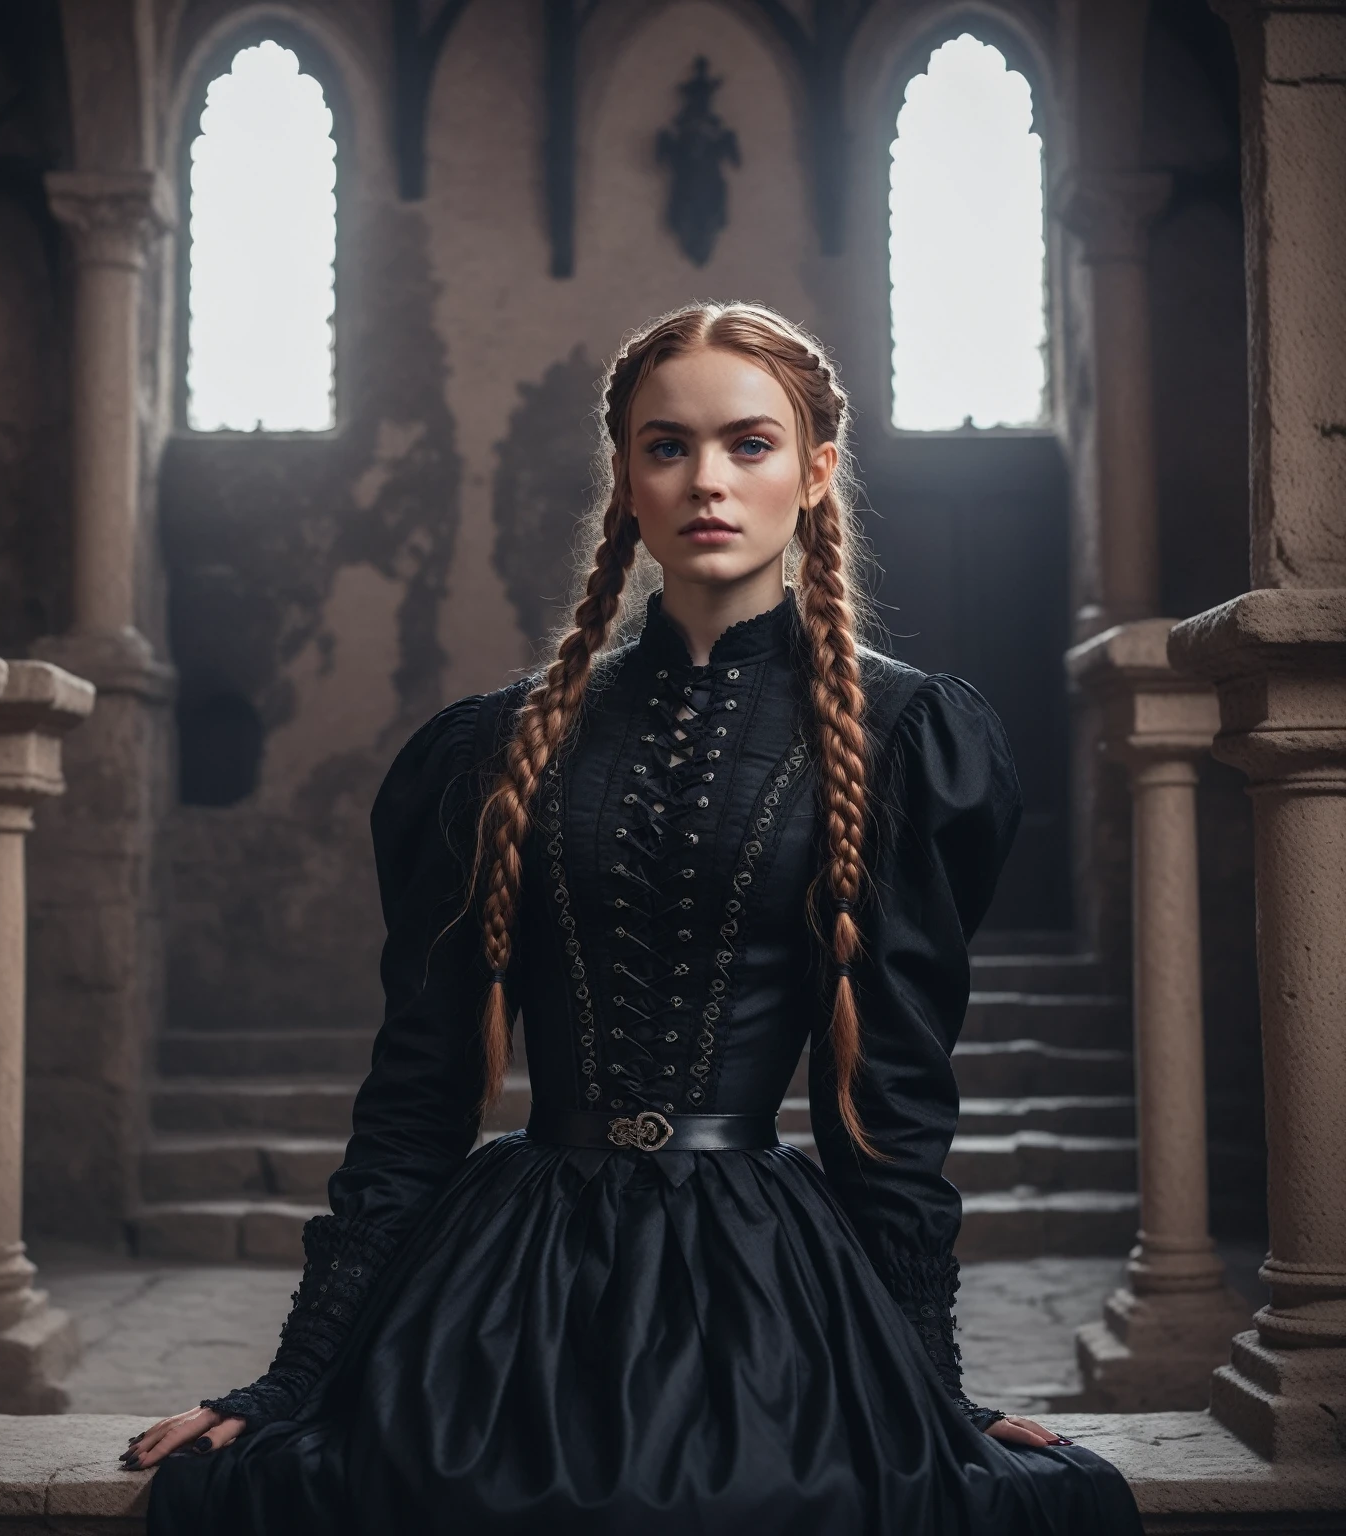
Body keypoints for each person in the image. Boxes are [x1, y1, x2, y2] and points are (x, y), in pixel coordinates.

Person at [129, 303, 1144, 1534]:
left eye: (749, 444)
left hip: (765, 1278)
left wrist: (930, 1385)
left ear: (816, 473)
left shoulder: (904, 741)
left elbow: (891, 1106)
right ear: (626, 474)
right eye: (667, 446)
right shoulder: (493, 747)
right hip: (514, 1274)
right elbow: (419, 1084)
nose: (706, 479)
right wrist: (293, 1377)